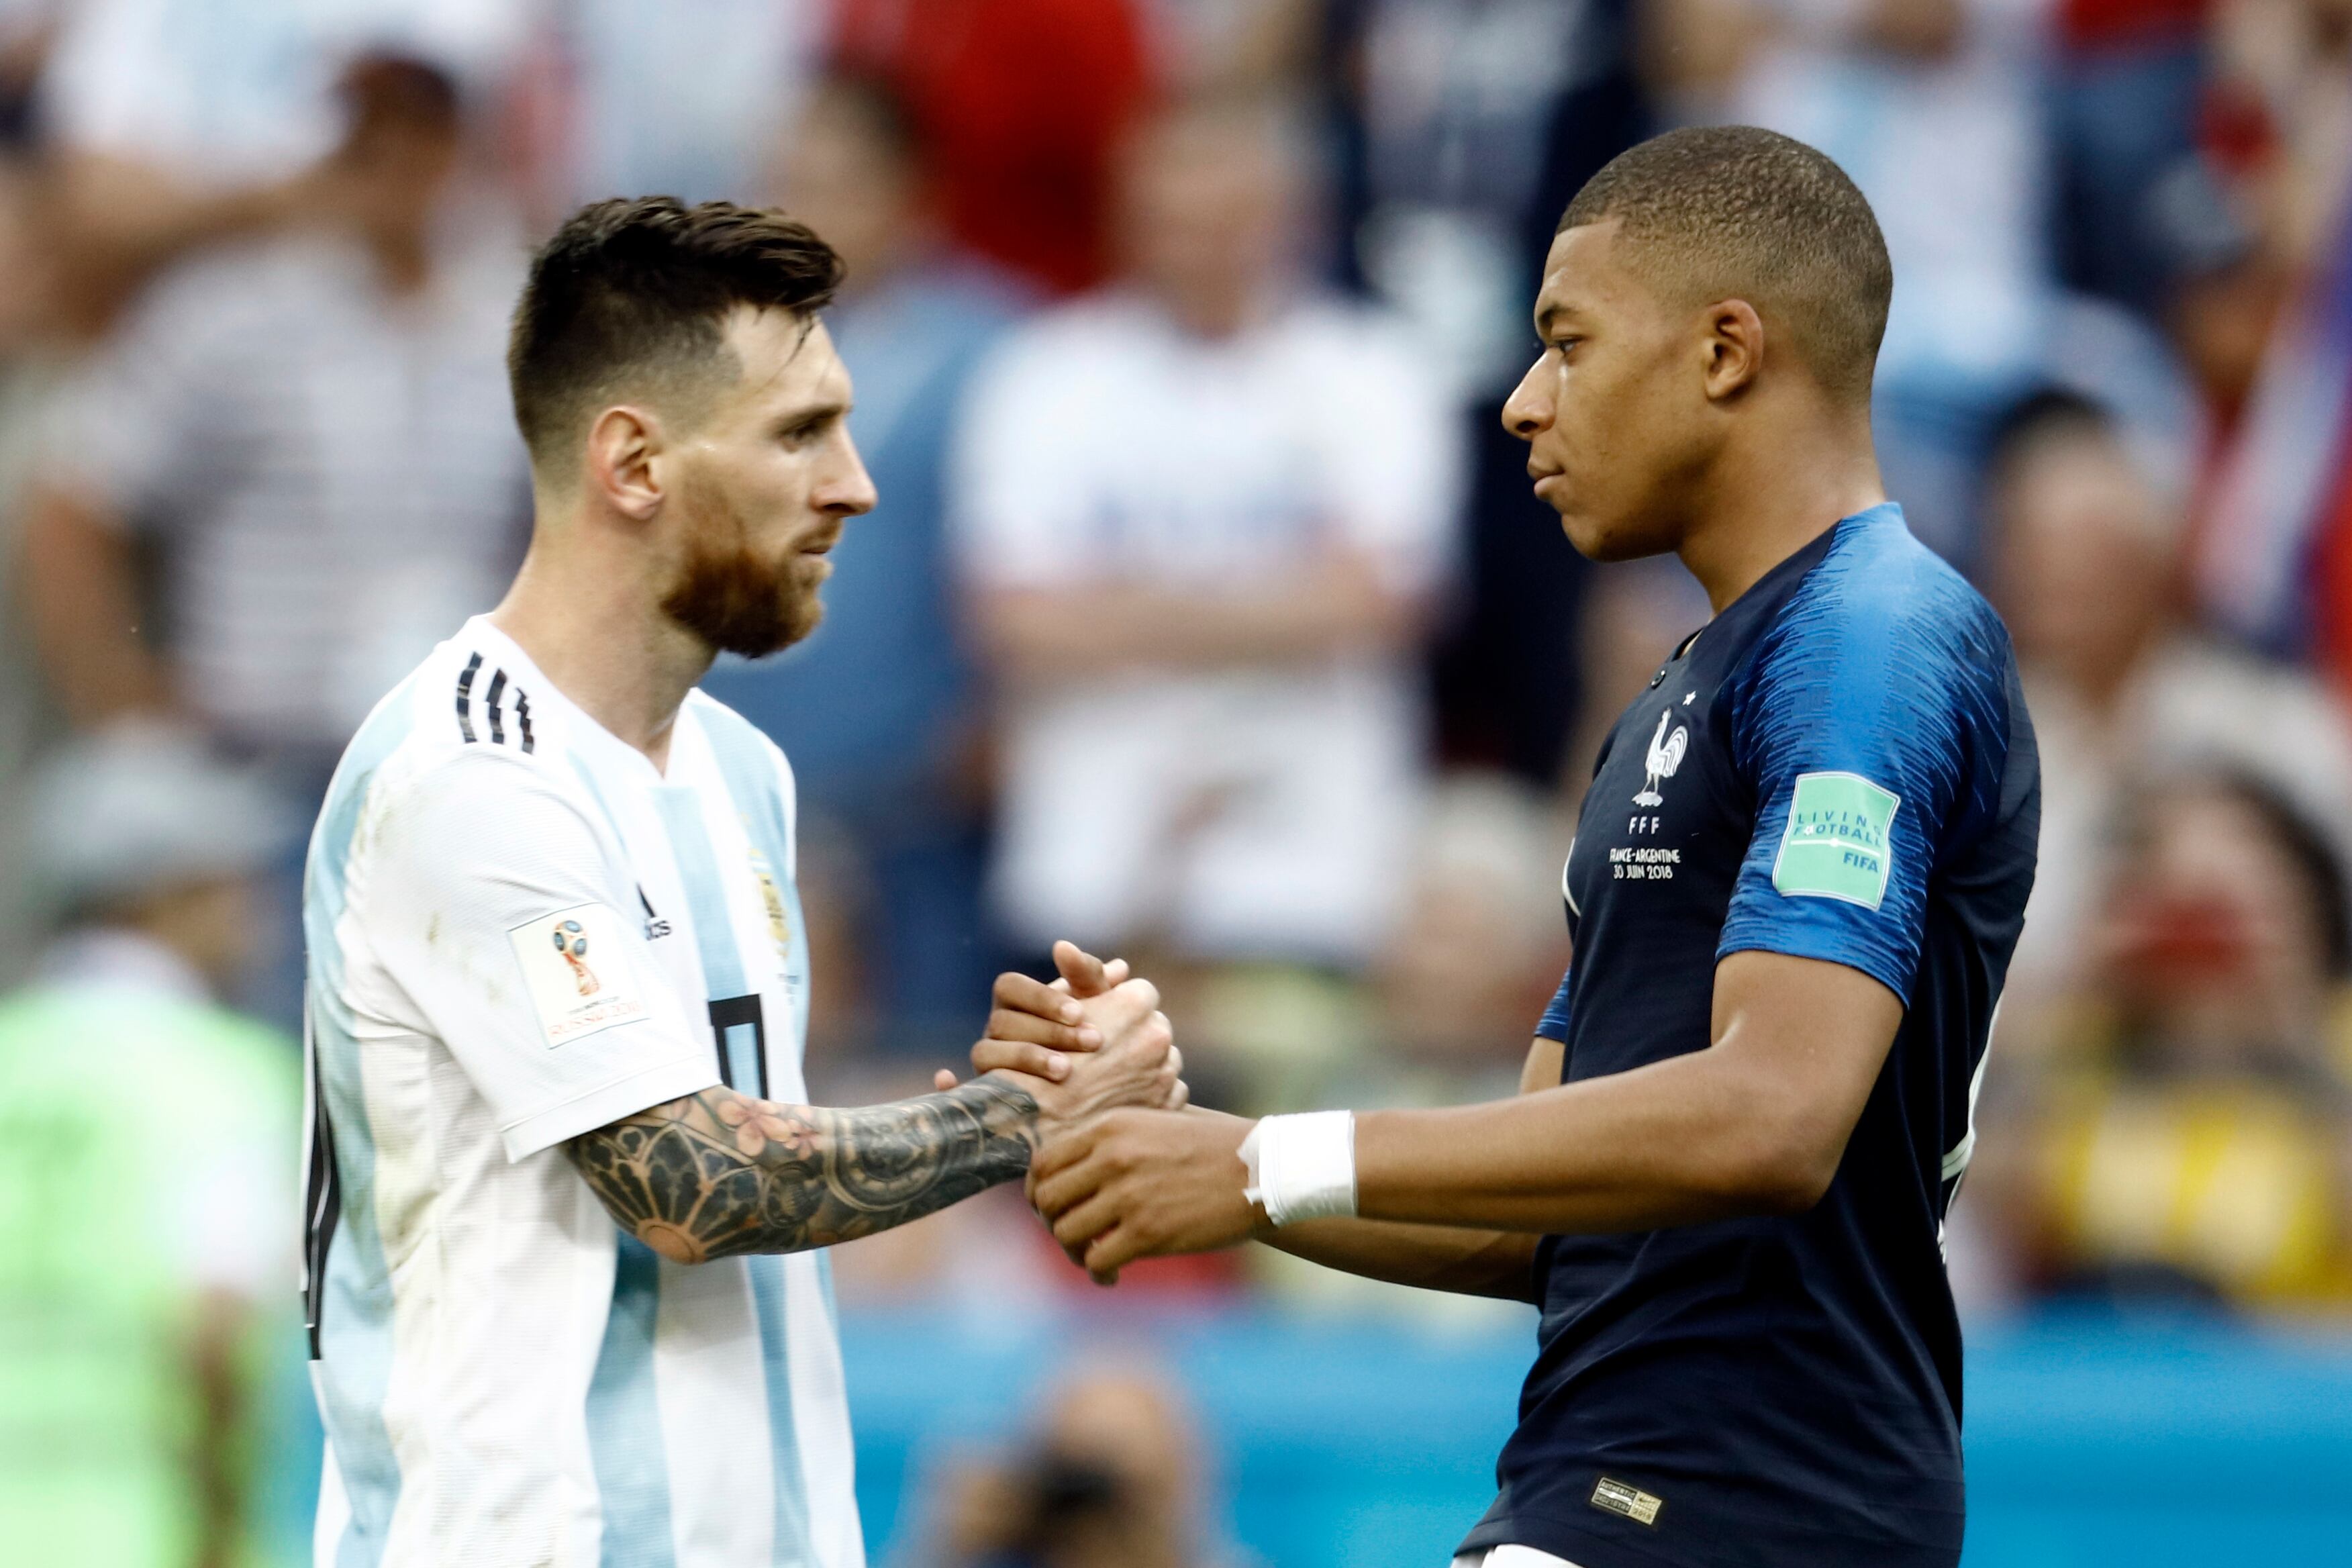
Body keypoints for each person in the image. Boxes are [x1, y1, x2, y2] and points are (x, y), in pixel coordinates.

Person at [1021, 127, 2041, 1568]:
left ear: (1725, 352)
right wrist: (1191, 1152)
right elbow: (1535, 1225)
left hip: (1750, 1508)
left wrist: (1256, 1162)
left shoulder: (1870, 637)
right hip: (1620, 1492)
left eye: (1566, 342)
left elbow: (1773, 1111)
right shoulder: (1680, 697)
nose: (1519, 402)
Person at [302, 197, 1181, 1568]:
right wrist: (1031, 1112)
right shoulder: (467, 777)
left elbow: (754, 1136)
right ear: (634, 463)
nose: (855, 485)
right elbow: (695, 1182)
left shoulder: (740, 771)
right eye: (799, 433)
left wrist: (1034, 1075)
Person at [952, 91, 1459, 975]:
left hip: (1314, 867)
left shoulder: (1373, 370)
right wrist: (1281, 600)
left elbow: (1387, 600)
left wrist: (1122, 602)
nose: (1195, 248)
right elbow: (1011, 617)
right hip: (1088, 861)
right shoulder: (1044, 372)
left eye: (1225, 220)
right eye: (1170, 222)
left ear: (1291, 218)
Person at [699, 75, 1028, 1055]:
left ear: (911, 194)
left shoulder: (993, 350)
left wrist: (998, 713)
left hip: (921, 787)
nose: (804, 213)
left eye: (837, 184)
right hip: (735, 774)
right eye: (785, 183)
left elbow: (1019, 542)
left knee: (921, 1049)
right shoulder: (701, 349)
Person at [0, 727, 298, 1567]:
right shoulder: (219, 1072)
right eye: (230, 880)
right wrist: (222, 1528)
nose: (255, 907)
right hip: (150, 1527)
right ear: (164, 894)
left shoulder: (11, 1055)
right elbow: (215, 1319)